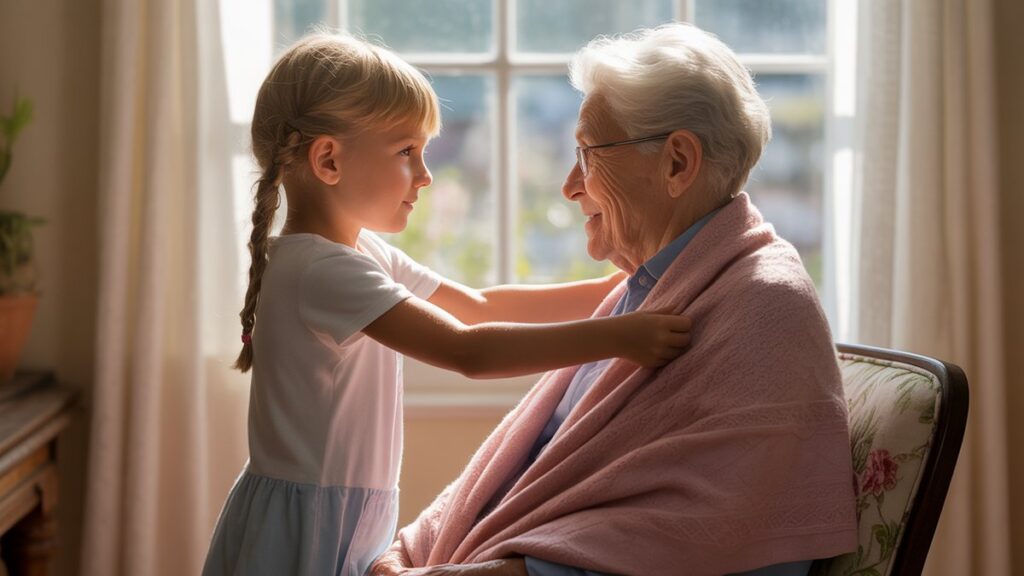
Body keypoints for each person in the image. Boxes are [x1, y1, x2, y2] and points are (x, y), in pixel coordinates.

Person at [371, 23, 859, 576]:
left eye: (587, 154)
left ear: (677, 163)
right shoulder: (646, 291)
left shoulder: (765, 306)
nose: (569, 185)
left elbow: (701, 538)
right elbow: (525, 470)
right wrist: (406, 552)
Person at [200, 33, 693, 576]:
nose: (426, 174)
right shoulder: (321, 271)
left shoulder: (360, 252)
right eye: (406, 152)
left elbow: (478, 306)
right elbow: (467, 350)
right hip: (304, 532)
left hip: (336, 515)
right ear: (329, 159)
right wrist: (619, 336)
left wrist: (625, 286)